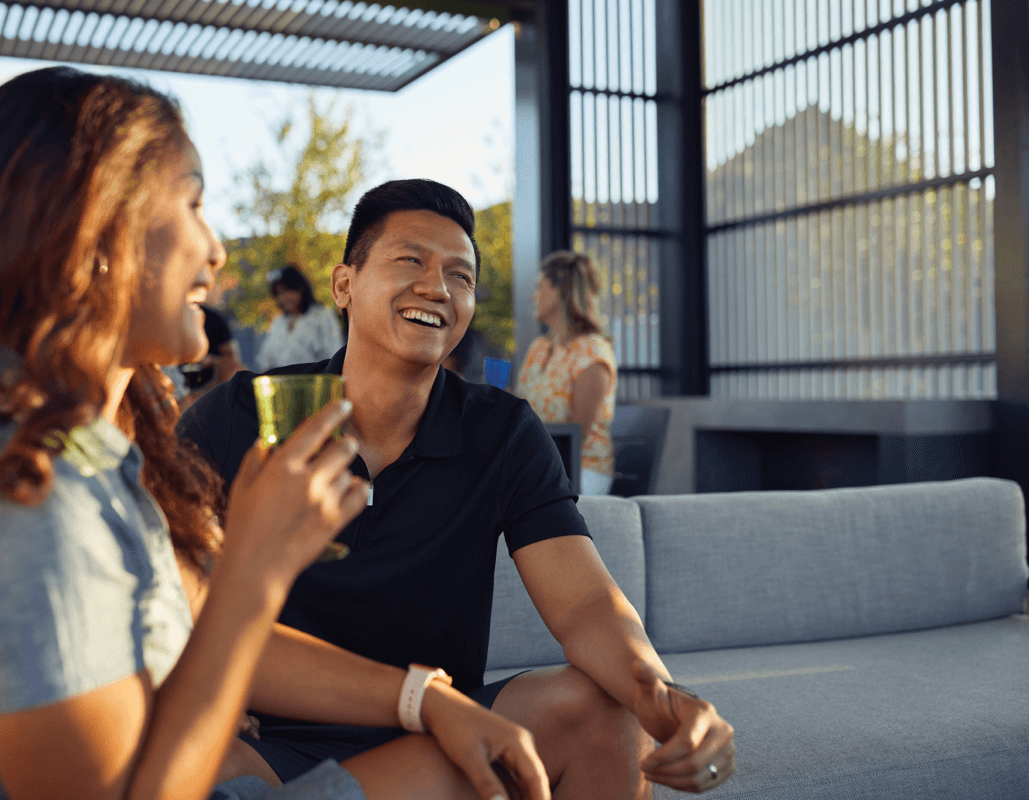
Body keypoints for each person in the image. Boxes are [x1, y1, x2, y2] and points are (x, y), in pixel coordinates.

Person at [0, 69, 551, 800]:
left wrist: (425, 700)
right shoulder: (21, 502)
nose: (218, 251)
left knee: (497, 757)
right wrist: (255, 569)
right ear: (94, 236)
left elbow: (192, 622)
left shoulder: (90, 457)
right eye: (193, 205)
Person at [178, 179, 736, 798]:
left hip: (443, 733)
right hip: (270, 741)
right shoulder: (237, 416)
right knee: (196, 767)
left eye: (460, 276)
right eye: (410, 260)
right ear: (344, 284)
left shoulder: (503, 432)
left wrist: (665, 700)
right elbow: (169, 602)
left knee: (604, 712)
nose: (436, 288)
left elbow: (585, 605)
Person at [515, 251, 617, 496]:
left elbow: (575, 437)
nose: (534, 296)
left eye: (540, 287)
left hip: (582, 470)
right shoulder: (539, 348)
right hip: (536, 465)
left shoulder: (592, 352)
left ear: (561, 290)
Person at [255, 264, 345, 371]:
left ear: (300, 289)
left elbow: (333, 357)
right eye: (278, 294)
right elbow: (265, 360)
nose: (282, 298)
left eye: (286, 291)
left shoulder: (322, 317)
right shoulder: (278, 322)